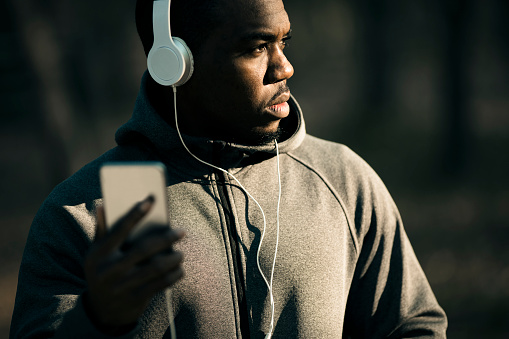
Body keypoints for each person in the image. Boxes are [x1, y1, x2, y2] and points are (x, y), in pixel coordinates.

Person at [10, 0, 448, 338]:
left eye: (284, 42)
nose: (285, 67)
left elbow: (413, 326)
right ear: (175, 64)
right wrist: (98, 320)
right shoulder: (83, 213)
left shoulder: (342, 180)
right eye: (257, 47)